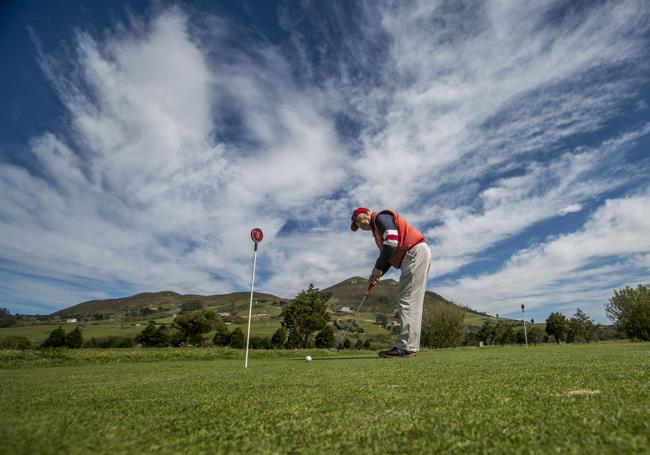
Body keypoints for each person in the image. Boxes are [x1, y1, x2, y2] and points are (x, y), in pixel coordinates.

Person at [350, 207, 431, 358]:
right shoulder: (377, 231)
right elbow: (387, 256)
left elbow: (391, 243)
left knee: (407, 300)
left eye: (358, 218)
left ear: (367, 212)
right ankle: (409, 345)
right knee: (408, 300)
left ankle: (406, 347)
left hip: (414, 252)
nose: (359, 223)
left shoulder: (381, 217)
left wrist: (377, 268)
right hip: (412, 255)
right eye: (356, 223)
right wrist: (377, 274)